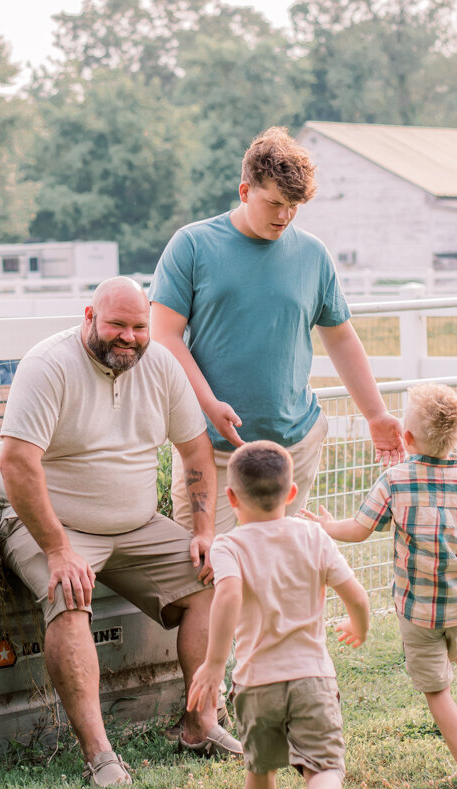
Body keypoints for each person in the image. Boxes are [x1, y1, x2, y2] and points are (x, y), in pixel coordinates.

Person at [0, 277, 243, 788]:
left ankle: (201, 722)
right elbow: (17, 463)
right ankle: (100, 755)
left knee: (214, 578)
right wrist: (58, 550)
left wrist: (202, 530)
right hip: (50, 523)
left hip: (136, 524)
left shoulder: (161, 366)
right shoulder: (49, 365)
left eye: (138, 327)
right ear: (90, 316)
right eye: (116, 324)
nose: (128, 336)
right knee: (69, 592)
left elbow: (196, 451)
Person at [150, 126, 404, 537]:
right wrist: (210, 404)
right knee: (206, 576)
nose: (283, 216)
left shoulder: (313, 254)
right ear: (245, 190)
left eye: (294, 206)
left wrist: (375, 414)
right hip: (211, 446)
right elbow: (164, 336)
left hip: (294, 446)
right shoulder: (192, 245)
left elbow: (340, 337)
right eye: (274, 203)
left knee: (278, 572)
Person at [308, 381, 457, 786]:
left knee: (437, 690)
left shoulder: (396, 480)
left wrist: (328, 526)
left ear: (406, 437)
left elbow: (360, 530)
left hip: (417, 609)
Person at [188, 440, 370, 789]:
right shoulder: (312, 536)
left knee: (261, 767)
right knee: (325, 765)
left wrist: (214, 664)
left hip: (256, 682)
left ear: (231, 498)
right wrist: (358, 625)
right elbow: (356, 595)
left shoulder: (229, 546)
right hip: (312, 678)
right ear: (291, 494)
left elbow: (228, 594)